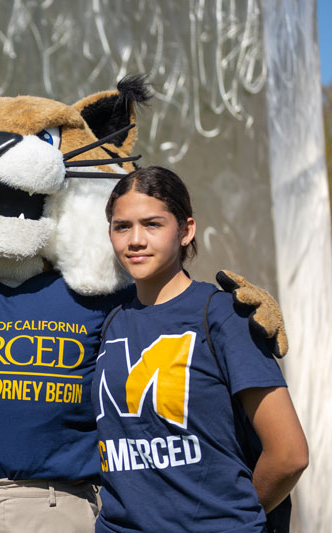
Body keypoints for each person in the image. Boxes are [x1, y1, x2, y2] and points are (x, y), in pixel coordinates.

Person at [93, 166, 308, 532]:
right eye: (122, 226)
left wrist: (231, 515)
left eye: (153, 224)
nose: (136, 240)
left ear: (186, 230)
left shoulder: (225, 315)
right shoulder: (109, 320)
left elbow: (289, 454)